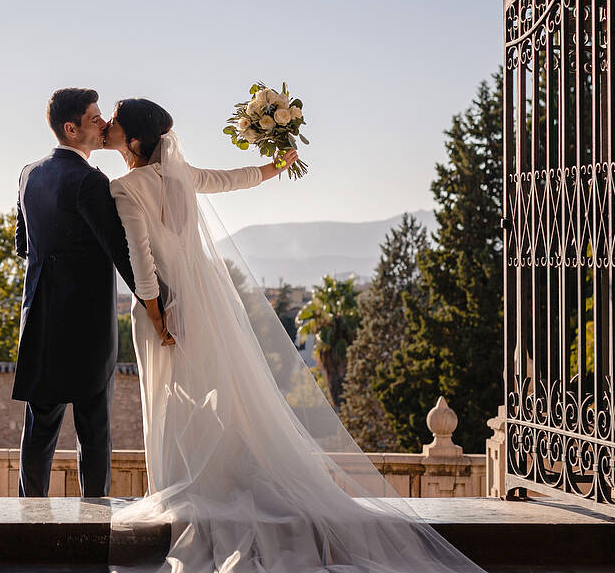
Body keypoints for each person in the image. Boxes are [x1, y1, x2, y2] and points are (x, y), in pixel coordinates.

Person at [103, 97, 486, 573]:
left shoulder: (123, 188)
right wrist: (274, 167)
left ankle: (188, 485)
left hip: (168, 307)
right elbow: (230, 180)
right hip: (206, 305)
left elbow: (142, 260)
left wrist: (156, 314)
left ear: (134, 138)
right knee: (222, 393)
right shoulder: (180, 177)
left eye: (115, 121)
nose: (108, 126)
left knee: (171, 397)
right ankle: (216, 480)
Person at [11, 88, 173, 497]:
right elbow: (122, 252)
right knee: (94, 431)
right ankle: (95, 521)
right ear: (72, 128)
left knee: (40, 428)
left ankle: (26, 521)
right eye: (95, 118)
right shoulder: (89, 181)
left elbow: (21, 244)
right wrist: (158, 306)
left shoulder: (29, 172)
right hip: (87, 327)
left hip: (41, 320)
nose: (103, 124)